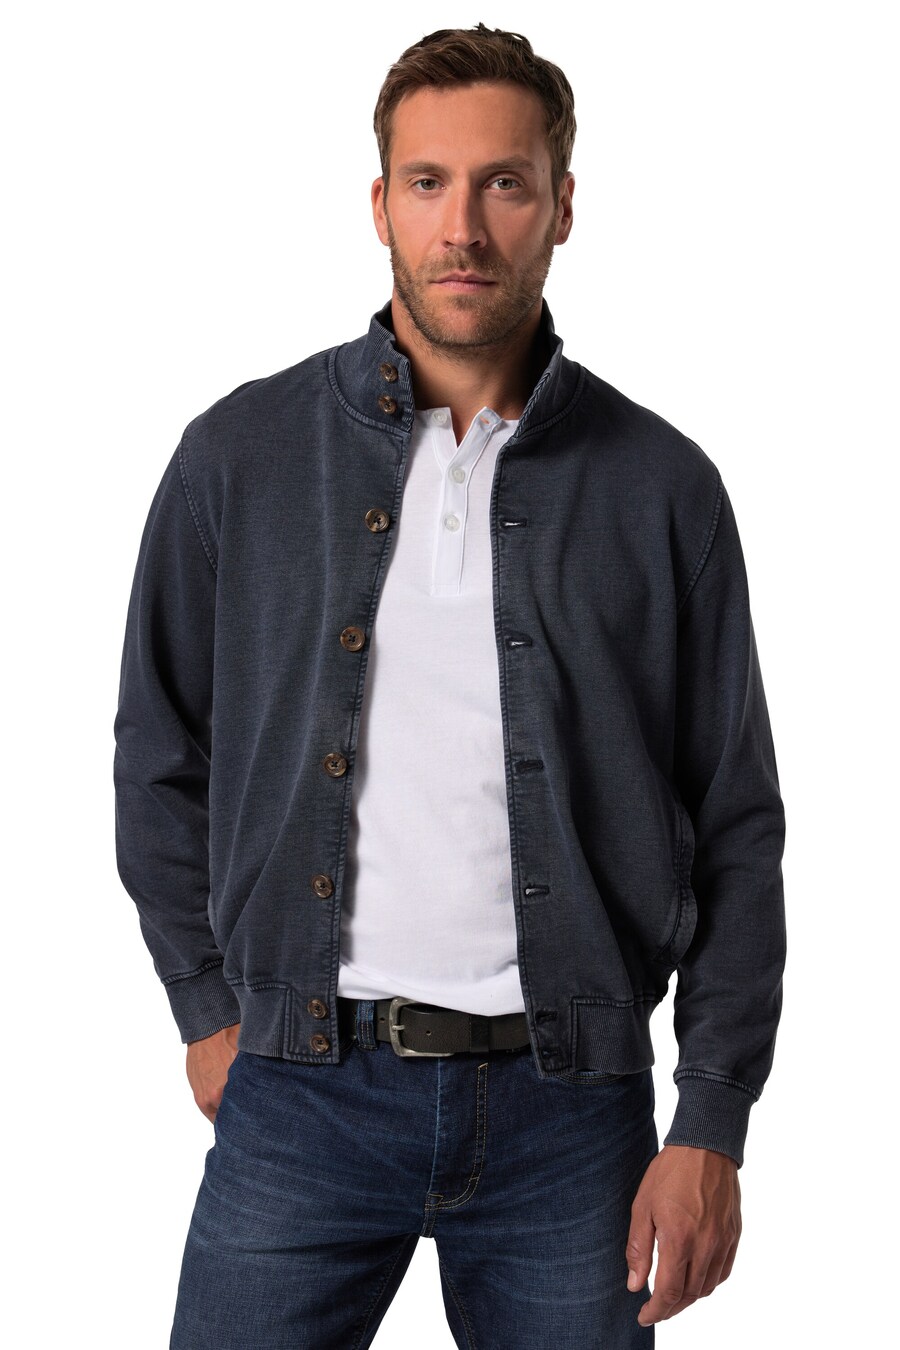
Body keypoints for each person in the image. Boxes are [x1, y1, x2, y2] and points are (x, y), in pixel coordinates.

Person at [113, 23, 786, 1349]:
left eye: (504, 183)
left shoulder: (663, 488)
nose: (463, 226)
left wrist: (711, 1116)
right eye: (428, 182)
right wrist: (206, 1008)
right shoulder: (240, 458)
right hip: (299, 1091)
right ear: (380, 205)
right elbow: (158, 752)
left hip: (570, 1113)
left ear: (563, 206)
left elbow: (736, 821)